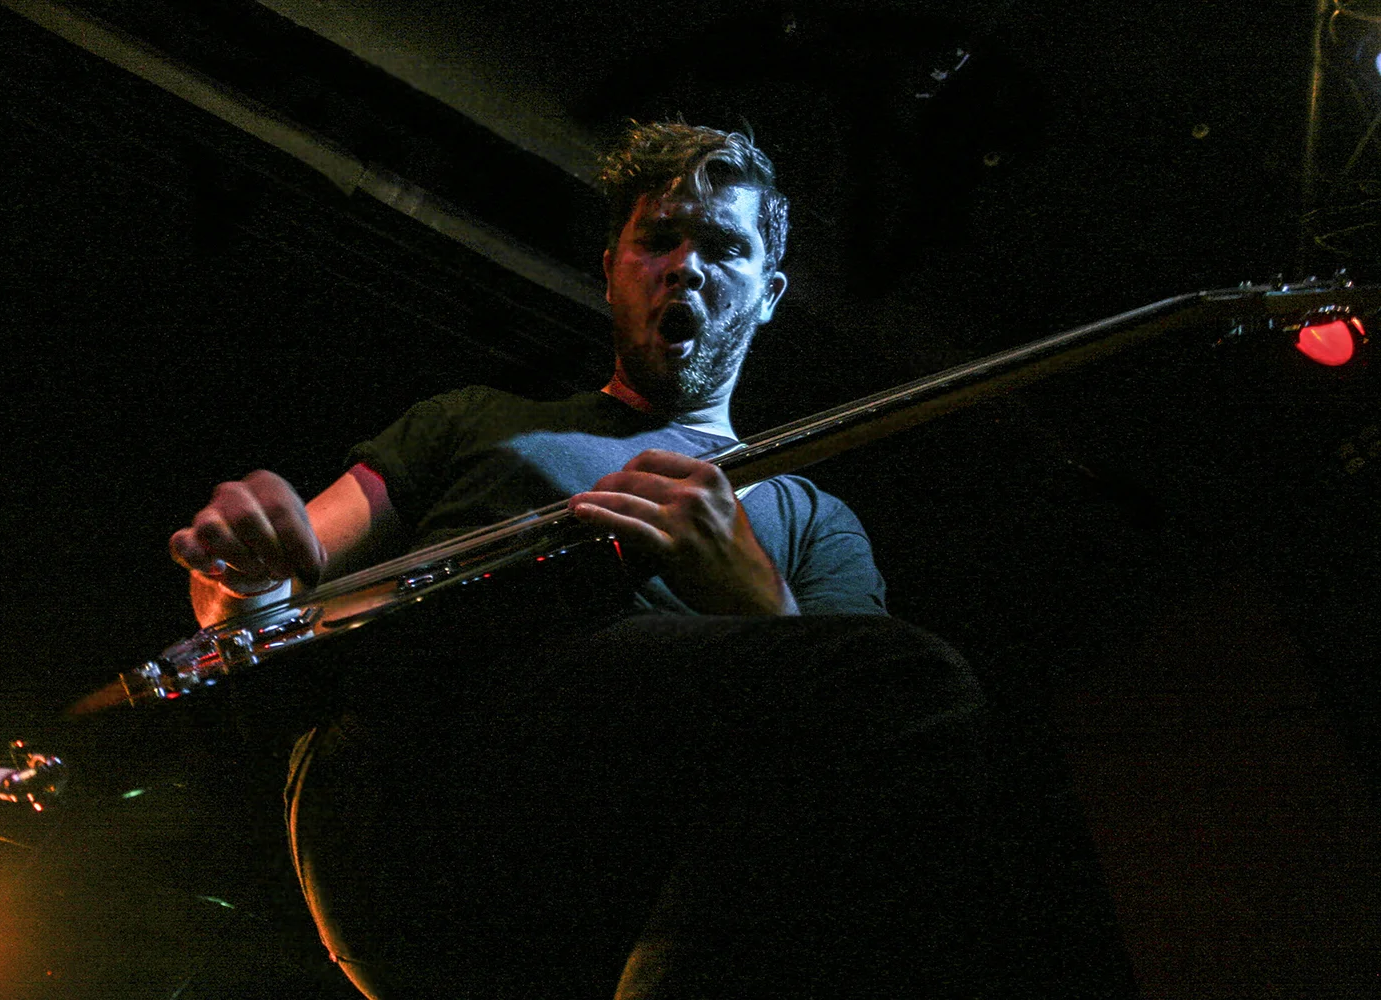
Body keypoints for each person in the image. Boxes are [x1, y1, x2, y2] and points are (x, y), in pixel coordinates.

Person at [169, 122, 986, 999]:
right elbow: (254, 610)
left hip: (625, 876)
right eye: (658, 239)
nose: (685, 266)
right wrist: (243, 570)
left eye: (722, 247)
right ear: (610, 269)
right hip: (412, 781)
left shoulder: (811, 517)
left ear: (770, 293)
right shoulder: (473, 419)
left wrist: (750, 592)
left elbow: (849, 737)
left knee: (906, 691)